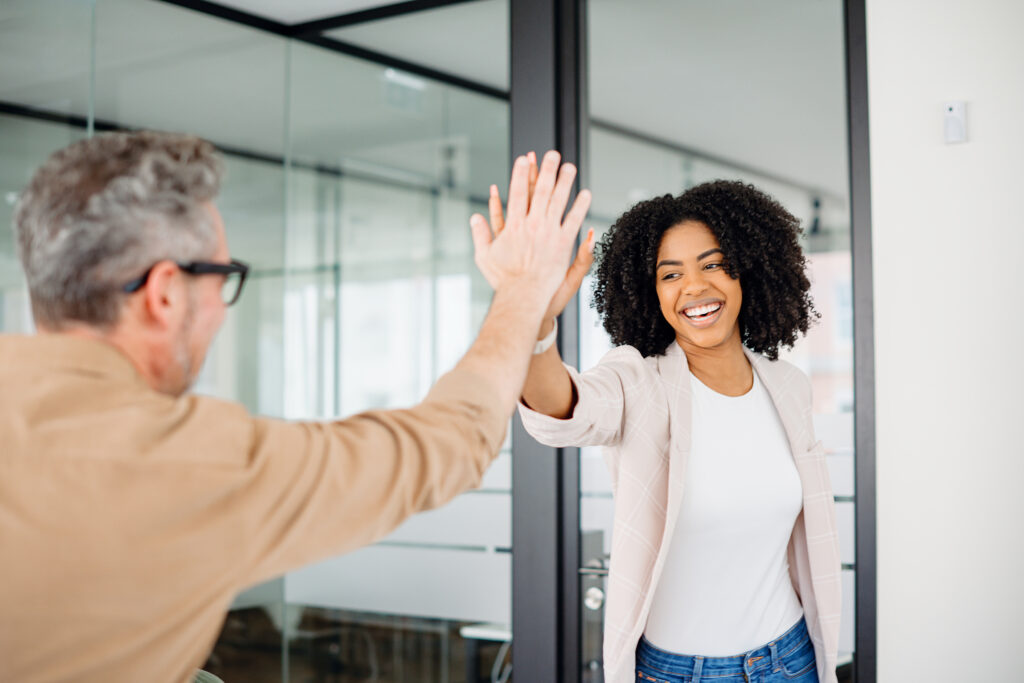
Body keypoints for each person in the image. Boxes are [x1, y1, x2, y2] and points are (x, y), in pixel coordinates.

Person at [0, 132, 590, 683]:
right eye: (223, 277)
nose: (223, 310)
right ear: (164, 294)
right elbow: (448, 441)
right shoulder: (188, 463)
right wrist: (520, 292)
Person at [478, 173, 842, 683]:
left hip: (789, 657)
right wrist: (533, 321)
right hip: (678, 672)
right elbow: (565, 410)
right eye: (669, 274)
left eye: (713, 264)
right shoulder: (638, 381)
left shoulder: (788, 387)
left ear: (749, 273)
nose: (694, 286)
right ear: (650, 292)